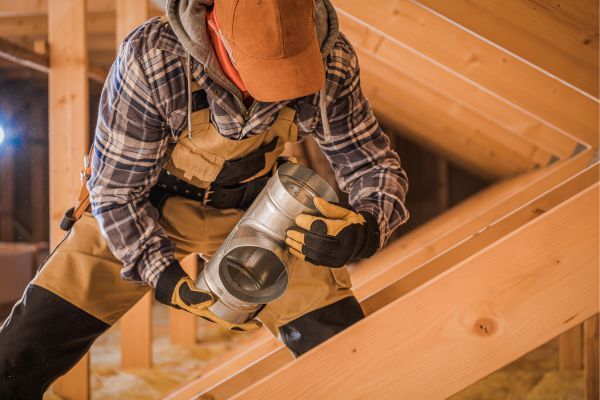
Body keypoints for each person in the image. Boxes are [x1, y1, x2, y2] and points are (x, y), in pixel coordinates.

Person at [0, 0, 409, 397]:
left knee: (343, 349)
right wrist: (160, 273)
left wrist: (367, 228)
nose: (269, 94)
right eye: (262, 74)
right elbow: (116, 191)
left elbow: (373, 166)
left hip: (259, 206)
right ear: (214, 29)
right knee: (17, 357)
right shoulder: (154, 58)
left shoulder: (332, 60)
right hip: (143, 205)